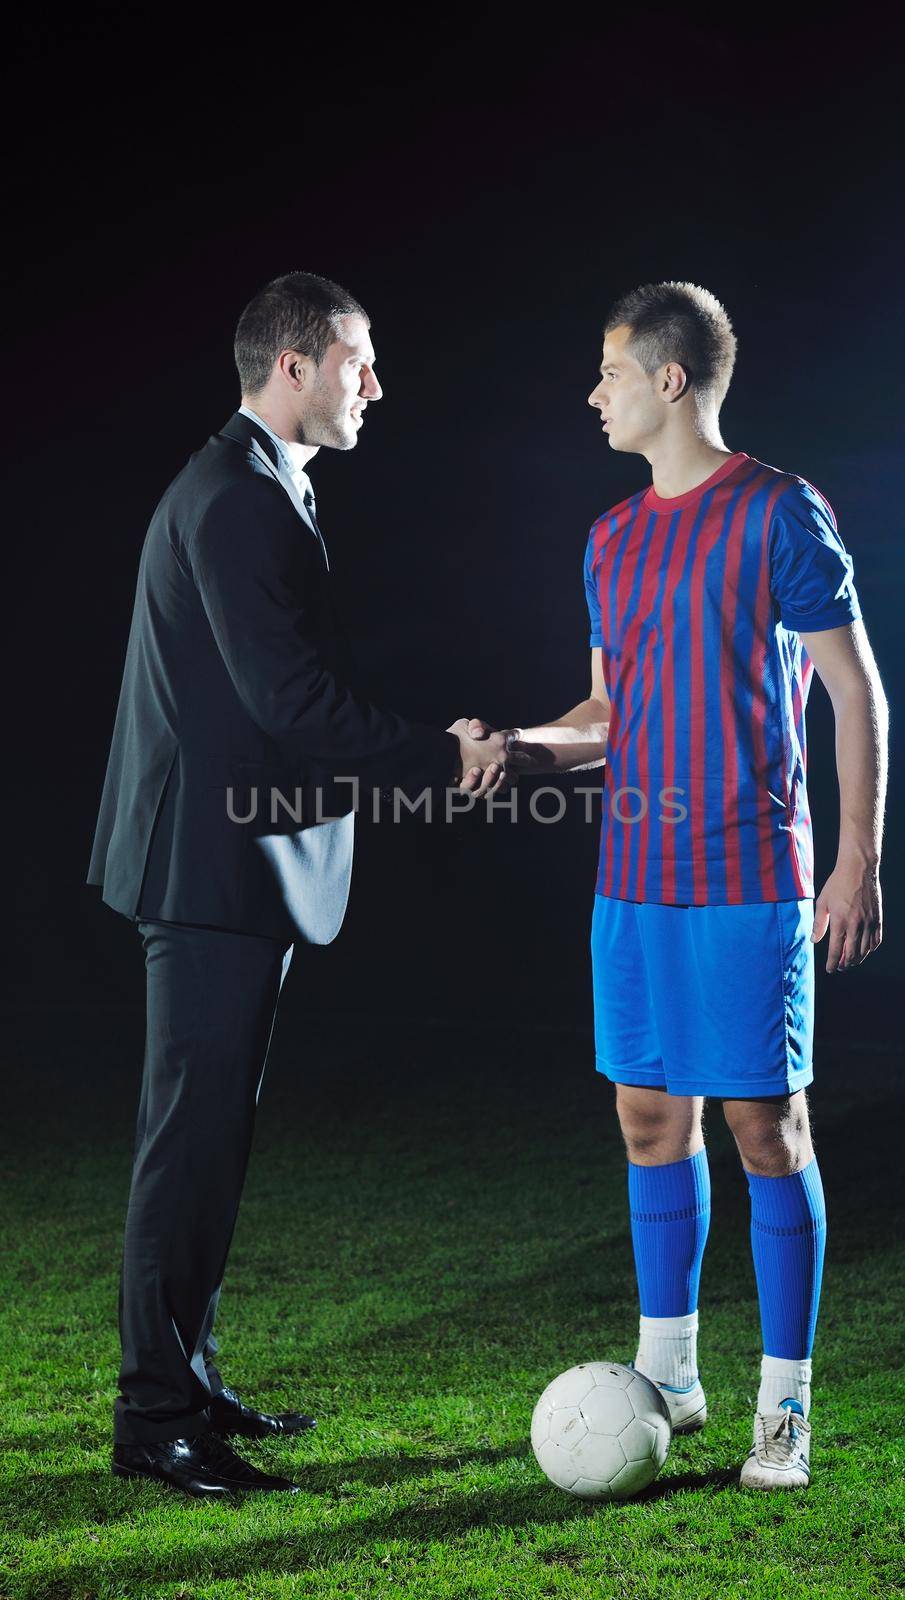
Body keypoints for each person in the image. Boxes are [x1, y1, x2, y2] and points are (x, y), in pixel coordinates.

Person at [88, 271, 508, 1498]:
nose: (373, 385)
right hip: (209, 866)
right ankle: (152, 1418)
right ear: (294, 367)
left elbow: (274, 699)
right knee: (187, 1146)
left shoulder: (261, 485)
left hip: (234, 863)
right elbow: (293, 705)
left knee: (210, 1141)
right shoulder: (234, 500)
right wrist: (446, 757)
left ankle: (190, 1380)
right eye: (357, 361)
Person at [469, 281, 888, 1489]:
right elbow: (610, 712)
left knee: (766, 1128)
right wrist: (520, 745)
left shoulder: (777, 512)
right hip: (632, 878)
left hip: (749, 877)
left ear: (666, 379)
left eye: (604, 372)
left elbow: (853, 691)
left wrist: (855, 857)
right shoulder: (606, 538)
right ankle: (674, 1374)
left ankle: (785, 1407)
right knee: (649, 1120)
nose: (589, 394)